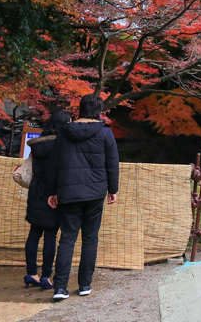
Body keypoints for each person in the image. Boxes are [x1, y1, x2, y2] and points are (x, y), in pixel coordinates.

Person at [46, 94, 119, 300]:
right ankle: (85, 284)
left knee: (67, 239)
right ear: (99, 110)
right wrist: (112, 189)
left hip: (68, 192)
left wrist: (52, 191)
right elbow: (112, 164)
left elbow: (54, 164)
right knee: (90, 239)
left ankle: (60, 288)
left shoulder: (64, 133)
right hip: (95, 193)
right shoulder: (106, 133)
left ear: (80, 108)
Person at [23, 110, 70, 290]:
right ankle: (45, 276)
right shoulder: (61, 145)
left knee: (34, 233)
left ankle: (31, 273)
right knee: (50, 235)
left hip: (36, 191)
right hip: (53, 192)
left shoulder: (37, 145)